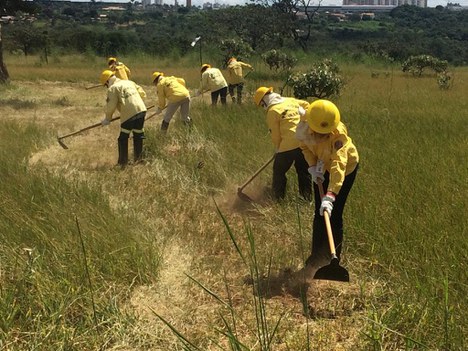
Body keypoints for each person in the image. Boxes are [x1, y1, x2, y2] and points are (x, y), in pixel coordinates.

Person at [296, 99, 359, 272]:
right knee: (320, 212)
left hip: (345, 170)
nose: (324, 134)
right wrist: (312, 166)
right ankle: (316, 256)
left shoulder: (339, 136)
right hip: (322, 166)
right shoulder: (305, 124)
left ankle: (333, 259)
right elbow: (304, 147)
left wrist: (331, 195)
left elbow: (339, 165)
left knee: (335, 213)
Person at [253, 86, 312, 201]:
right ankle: (306, 198)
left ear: (264, 100)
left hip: (288, 145)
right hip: (304, 142)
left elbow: (276, 135)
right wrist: (305, 119)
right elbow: (307, 105)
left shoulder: (272, 111)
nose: (262, 107)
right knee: (304, 171)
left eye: (261, 105)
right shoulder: (291, 100)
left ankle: (278, 199)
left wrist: (278, 149)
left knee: (279, 171)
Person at [100, 70, 147, 166]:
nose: (106, 87)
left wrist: (107, 119)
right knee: (138, 135)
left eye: (105, 85)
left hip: (129, 115)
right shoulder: (129, 82)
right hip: (141, 110)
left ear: (108, 81)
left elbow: (111, 105)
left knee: (123, 137)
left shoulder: (113, 88)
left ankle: (122, 162)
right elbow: (142, 93)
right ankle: (138, 160)